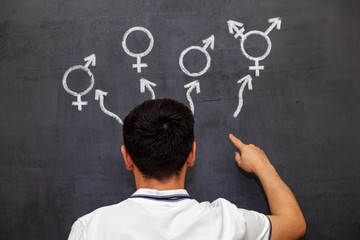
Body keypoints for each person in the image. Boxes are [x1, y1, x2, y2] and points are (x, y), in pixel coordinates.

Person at [68, 98, 306, 240]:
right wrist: (263, 165)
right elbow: (294, 223)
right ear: (192, 154)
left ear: (127, 158)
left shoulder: (90, 229)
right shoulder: (228, 223)